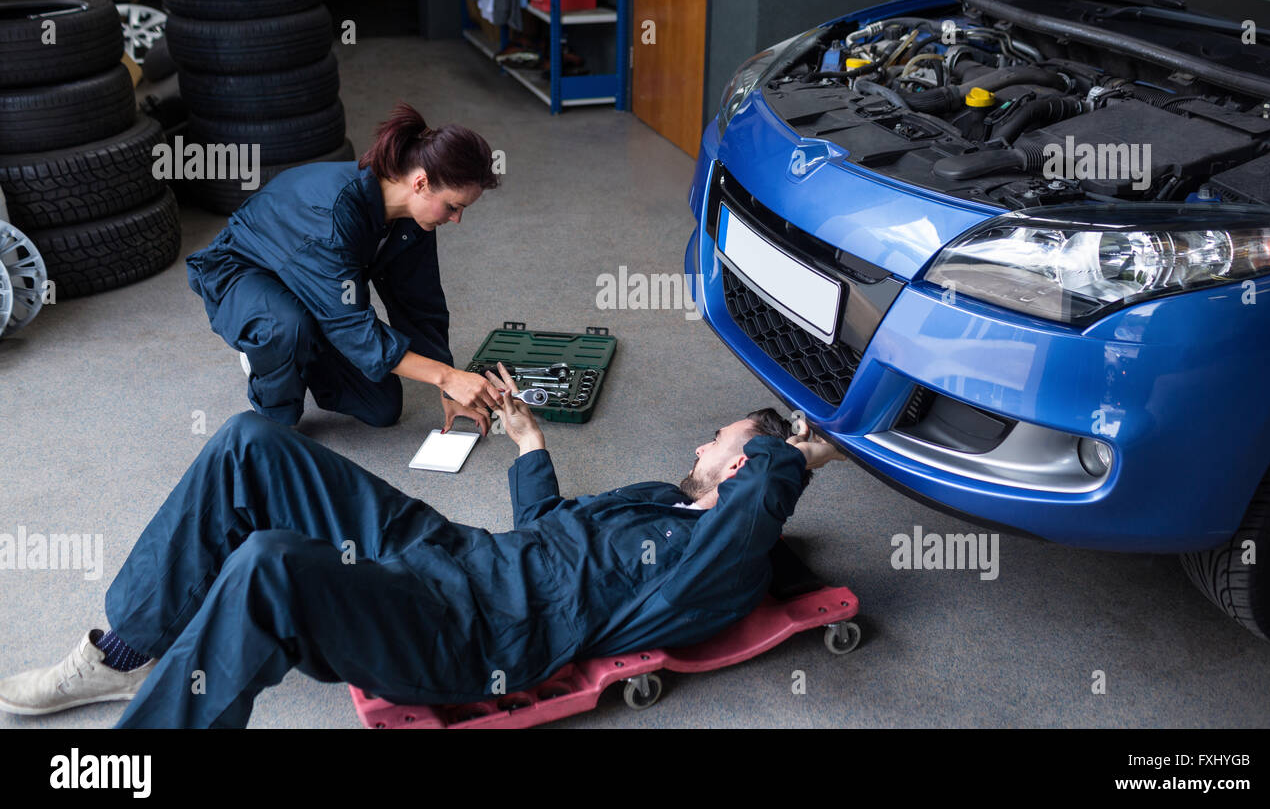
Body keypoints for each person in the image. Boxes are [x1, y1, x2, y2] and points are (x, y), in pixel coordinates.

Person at [0, 366, 845, 728]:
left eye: (715, 444)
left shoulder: (714, 573)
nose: (695, 449)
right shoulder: (658, 500)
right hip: (455, 552)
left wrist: (798, 453)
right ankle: (123, 649)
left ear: (743, 464)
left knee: (269, 564)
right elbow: (547, 534)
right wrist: (527, 440)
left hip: (470, 631)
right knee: (249, 442)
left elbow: (745, 523)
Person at [185, 100, 502, 435]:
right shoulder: (333, 216)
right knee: (285, 328)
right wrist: (449, 377)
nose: (457, 219)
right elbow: (350, 325)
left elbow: (421, 303)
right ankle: (271, 411)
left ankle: (294, 349)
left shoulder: (416, 218)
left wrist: (446, 384)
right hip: (244, 271)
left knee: (381, 407)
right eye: (453, 206)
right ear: (420, 183)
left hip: (319, 291)